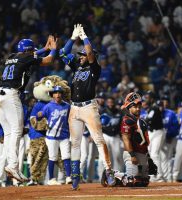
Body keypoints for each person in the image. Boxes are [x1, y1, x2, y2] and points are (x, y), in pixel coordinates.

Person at [0, 35, 57, 182]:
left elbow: (30, 55)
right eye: (32, 50)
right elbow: (48, 60)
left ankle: (12, 166)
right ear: (28, 50)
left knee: (9, 133)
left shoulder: (12, 56)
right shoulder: (27, 57)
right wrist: (52, 50)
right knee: (17, 131)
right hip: (11, 95)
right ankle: (13, 166)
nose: (34, 52)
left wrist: (44, 49)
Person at [59, 24, 115, 190]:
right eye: (80, 55)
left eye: (83, 54)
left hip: (89, 107)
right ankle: (75, 176)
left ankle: (109, 171)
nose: (81, 56)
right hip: (74, 108)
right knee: (75, 143)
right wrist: (72, 37)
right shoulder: (77, 66)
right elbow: (62, 53)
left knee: (98, 139)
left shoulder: (94, 68)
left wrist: (84, 37)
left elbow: (89, 52)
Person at [37, 86, 72, 185]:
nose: (58, 95)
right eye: (56, 93)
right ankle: (51, 179)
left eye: (59, 93)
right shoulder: (48, 106)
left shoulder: (67, 106)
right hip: (51, 136)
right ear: (52, 95)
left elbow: (70, 119)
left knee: (66, 156)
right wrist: (39, 115)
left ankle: (69, 177)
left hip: (64, 135)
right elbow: (39, 117)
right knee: (53, 157)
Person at [119, 92, 150, 186]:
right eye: (135, 107)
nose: (138, 109)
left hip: (142, 153)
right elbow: (126, 139)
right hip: (131, 153)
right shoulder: (127, 120)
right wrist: (132, 155)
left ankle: (132, 175)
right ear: (129, 107)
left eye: (139, 106)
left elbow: (144, 140)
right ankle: (113, 175)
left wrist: (147, 155)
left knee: (144, 182)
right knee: (132, 182)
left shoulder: (142, 121)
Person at [143, 91, 166, 182]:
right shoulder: (149, 109)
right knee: (150, 154)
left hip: (158, 132)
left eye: (147, 98)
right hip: (151, 132)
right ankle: (155, 175)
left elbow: (149, 120)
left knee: (154, 154)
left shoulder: (154, 108)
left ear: (152, 99)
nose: (145, 100)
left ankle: (159, 176)